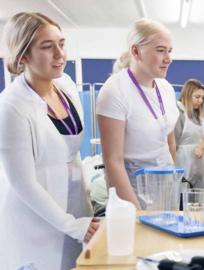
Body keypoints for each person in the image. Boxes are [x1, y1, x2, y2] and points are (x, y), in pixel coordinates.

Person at [0, 12, 98, 270]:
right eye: (47, 46)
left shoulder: (65, 85)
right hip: (33, 223)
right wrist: (71, 225)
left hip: (74, 209)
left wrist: (81, 217)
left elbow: (72, 156)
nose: (59, 53)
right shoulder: (11, 106)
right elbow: (23, 184)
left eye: (61, 43)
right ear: (23, 56)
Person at [96, 18, 179, 209]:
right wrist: (135, 213)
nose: (168, 58)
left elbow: (169, 142)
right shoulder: (115, 90)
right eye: (160, 50)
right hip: (132, 188)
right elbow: (113, 161)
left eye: (170, 51)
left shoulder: (165, 89)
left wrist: (170, 184)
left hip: (165, 186)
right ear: (136, 51)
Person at [174, 79, 204, 189]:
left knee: (200, 200)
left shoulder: (200, 118)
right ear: (187, 95)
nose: (201, 101)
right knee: (182, 199)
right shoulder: (179, 114)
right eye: (197, 97)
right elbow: (172, 143)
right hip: (183, 164)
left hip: (199, 167)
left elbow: (202, 139)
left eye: (202, 98)